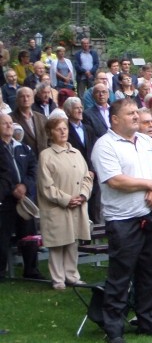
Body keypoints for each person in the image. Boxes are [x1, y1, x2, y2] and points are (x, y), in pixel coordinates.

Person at [91, 98, 152, 343]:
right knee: (120, 274)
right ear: (114, 119)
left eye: (137, 112)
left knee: (149, 273)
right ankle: (113, 329)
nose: (136, 116)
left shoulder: (146, 140)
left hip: (151, 214)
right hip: (123, 220)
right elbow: (115, 180)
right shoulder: (104, 145)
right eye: (130, 113)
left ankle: (148, 321)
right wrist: (150, 184)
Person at [37, 117, 93, 290]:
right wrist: (66, 199)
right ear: (50, 133)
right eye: (58, 129)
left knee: (72, 241)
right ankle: (58, 279)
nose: (63, 132)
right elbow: (46, 185)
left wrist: (83, 195)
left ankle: (72, 275)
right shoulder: (46, 156)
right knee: (58, 242)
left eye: (65, 128)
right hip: (58, 206)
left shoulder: (76, 153)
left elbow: (87, 177)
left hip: (78, 204)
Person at [0, 113, 42, 280]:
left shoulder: (23, 148)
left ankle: (31, 269)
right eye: (4, 123)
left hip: (24, 200)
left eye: (10, 123)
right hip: (5, 200)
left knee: (29, 236)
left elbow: (33, 170)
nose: (9, 126)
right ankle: (1, 271)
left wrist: (25, 186)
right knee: (2, 237)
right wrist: (12, 189)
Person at [11, 87, 48, 154]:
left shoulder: (42, 117)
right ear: (16, 100)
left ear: (33, 99)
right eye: (22, 96)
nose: (26, 99)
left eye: (28, 96)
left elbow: (49, 138)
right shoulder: (10, 119)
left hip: (43, 157)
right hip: (23, 159)